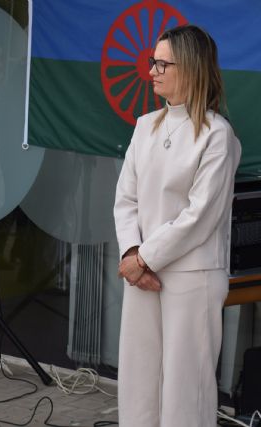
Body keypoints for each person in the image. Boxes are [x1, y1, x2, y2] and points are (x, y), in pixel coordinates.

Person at [114, 25, 241, 426]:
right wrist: (132, 255)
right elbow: (125, 199)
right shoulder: (145, 125)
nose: (151, 70)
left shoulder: (217, 136)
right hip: (141, 273)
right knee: (138, 378)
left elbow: (200, 215)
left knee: (187, 386)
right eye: (153, 62)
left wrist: (145, 258)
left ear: (191, 68)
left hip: (192, 276)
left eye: (161, 63)